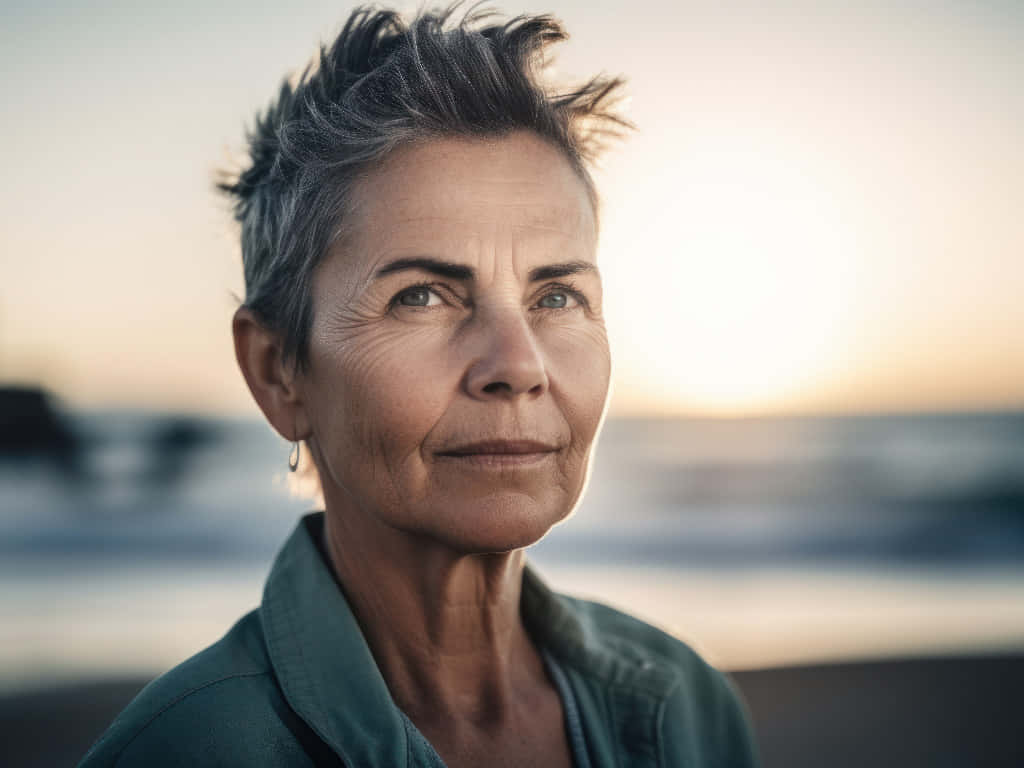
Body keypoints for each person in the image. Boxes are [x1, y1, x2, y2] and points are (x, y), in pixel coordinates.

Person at [80, 5, 759, 767]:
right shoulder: (185, 751)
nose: (519, 364)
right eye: (422, 296)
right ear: (278, 372)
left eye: (556, 297)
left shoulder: (687, 709)